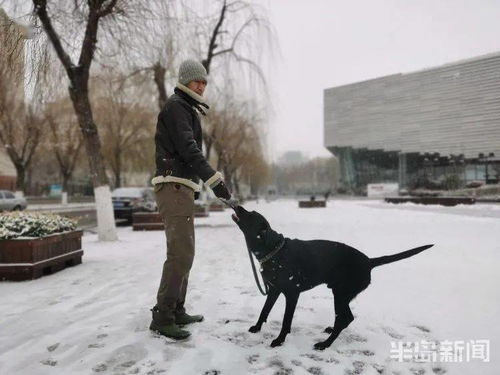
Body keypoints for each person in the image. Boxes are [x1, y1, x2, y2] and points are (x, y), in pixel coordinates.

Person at [150, 59, 231, 340]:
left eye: (204, 82)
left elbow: (189, 149)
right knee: (180, 253)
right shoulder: (177, 107)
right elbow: (188, 149)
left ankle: (176, 309)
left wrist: (207, 182)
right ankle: (162, 316)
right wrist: (214, 180)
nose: (201, 85)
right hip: (172, 187)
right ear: (184, 81)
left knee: (186, 252)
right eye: (197, 81)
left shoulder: (187, 108)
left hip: (182, 187)